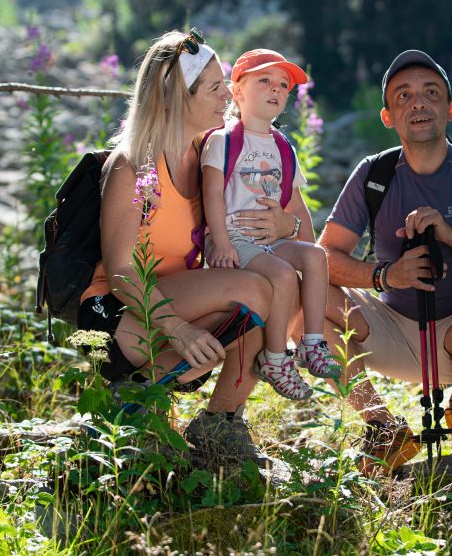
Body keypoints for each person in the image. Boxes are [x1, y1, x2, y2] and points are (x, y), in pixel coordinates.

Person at [78, 30, 300, 465]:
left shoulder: (209, 151)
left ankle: (219, 424)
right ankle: (135, 398)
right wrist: (180, 329)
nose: (226, 96)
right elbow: (123, 271)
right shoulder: (133, 164)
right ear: (178, 97)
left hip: (184, 296)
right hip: (121, 312)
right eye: (216, 87)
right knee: (257, 291)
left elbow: (300, 223)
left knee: (278, 285)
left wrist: (284, 222)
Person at [318, 50, 452, 475]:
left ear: (450, 108)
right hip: (390, 323)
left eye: (431, 93)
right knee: (305, 299)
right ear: (388, 117)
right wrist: (385, 274)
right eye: (403, 96)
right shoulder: (373, 175)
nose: (418, 103)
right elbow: (323, 257)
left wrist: (450, 236)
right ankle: (382, 426)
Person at [202, 49, 337, 401]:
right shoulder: (224, 140)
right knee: (282, 275)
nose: (276, 89)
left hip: (270, 241)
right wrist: (221, 242)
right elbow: (213, 195)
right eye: (264, 80)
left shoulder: (283, 146)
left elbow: (295, 209)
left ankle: (311, 342)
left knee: (316, 257)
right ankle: (275, 359)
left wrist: (291, 230)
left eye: (283, 85)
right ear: (237, 91)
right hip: (236, 238)